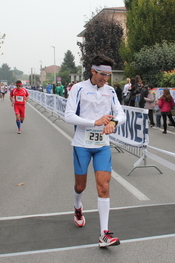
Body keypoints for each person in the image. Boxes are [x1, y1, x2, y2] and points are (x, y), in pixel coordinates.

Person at [64, 54, 125, 248]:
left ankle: (104, 234)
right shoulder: (78, 88)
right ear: (92, 71)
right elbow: (68, 116)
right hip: (82, 145)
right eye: (102, 74)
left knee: (104, 186)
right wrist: (94, 122)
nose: (105, 78)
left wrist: (114, 122)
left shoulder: (110, 91)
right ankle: (77, 207)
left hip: (102, 146)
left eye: (108, 75)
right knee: (80, 186)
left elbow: (121, 113)